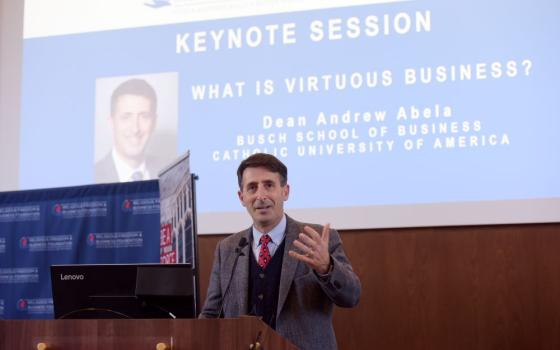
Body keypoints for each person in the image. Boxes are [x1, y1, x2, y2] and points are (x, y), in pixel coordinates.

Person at [200, 153, 361, 350]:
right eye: (252, 187)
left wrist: (326, 267)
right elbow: (210, 315)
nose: (261, 196)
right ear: (242, 197)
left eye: (269, 185)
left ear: (285, 191)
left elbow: (351, 297)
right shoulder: (227, 248)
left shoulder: (316, 239)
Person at [94, 78, 166, 183]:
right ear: (111, 122)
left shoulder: (169, 175)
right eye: (126, 117)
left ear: (154, 123)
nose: (135, 129)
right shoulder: (95, 174)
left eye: (144, 116)